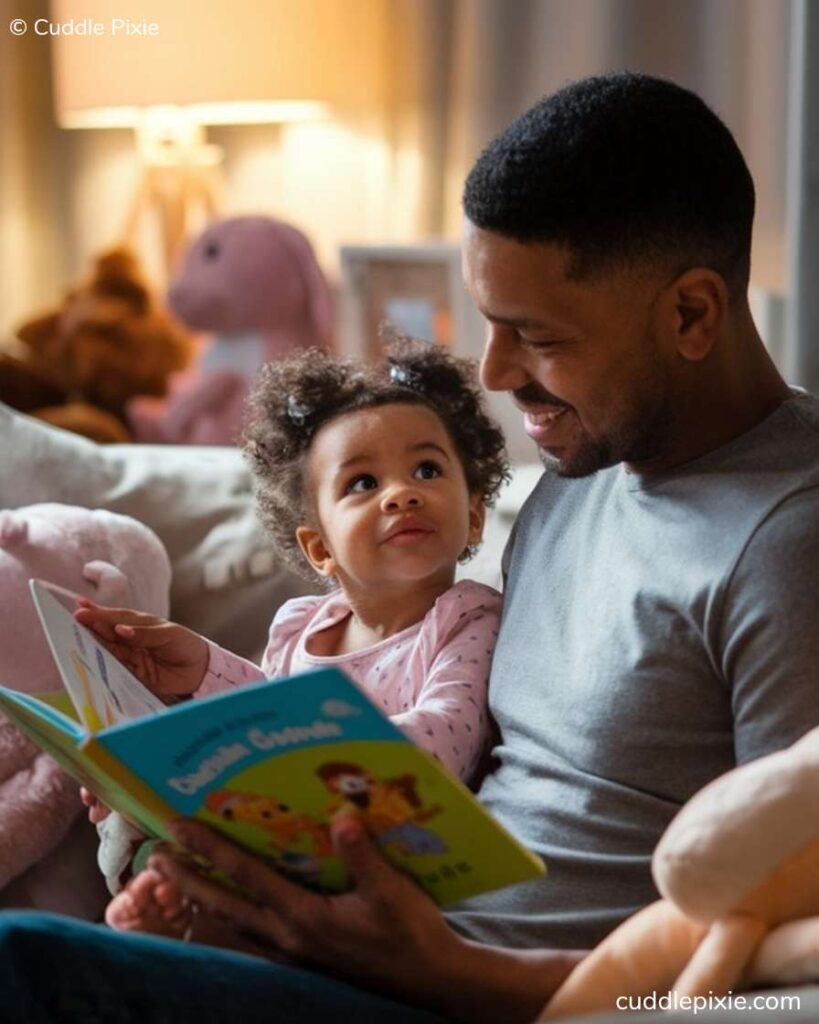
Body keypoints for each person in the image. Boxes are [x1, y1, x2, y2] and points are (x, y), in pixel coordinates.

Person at [2, 69, 819, 1024]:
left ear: (690, 314)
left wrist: (443, 972)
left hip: (496, 998)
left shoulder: (789, 544)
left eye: (537, 336)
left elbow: (787, 989)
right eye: (489, 323)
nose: (495, 372)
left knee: (26, 968)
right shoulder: (575, 480)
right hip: (370, 956)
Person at [78, 336, 508, 939]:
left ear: (477, 514)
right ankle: (168, 907)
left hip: (388, 876)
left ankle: (189, 925)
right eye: (362, 483)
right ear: (319, 547)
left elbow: (443, 743)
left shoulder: (466, 618)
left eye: (428, 469)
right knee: (165, 842)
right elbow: (263, 713)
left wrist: (282, 763)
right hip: (288, 844)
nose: (401, 492)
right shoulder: (301, 624)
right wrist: (199, 672)